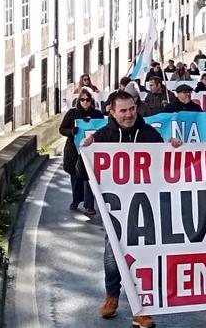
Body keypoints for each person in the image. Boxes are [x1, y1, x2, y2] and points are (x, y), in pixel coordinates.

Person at [80, 91, 175, 328]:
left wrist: (175, 150)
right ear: (111, 111)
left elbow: (168, 169)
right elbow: (82, 174)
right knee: (114, 253)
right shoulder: (101, 137)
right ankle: (112, 295)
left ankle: (141, 307)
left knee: (145, 255)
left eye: (132, 109)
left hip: (147, 206)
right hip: (115, 209)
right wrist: (85, 152)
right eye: (123, 110)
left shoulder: (150, 135)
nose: (129, 114)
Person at [59, 89, 104, 215]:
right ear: (79, 100)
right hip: (74, 151)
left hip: (91, 151)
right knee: (75, 176)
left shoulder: (97, 115)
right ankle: (76, 199)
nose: (85, 102)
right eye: (83, 100)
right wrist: (71, 132)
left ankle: (89, 205)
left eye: (88, 100)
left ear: (91, 101)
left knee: (89, 178)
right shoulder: (72, 113)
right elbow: (62, 129)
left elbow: (103, 129)